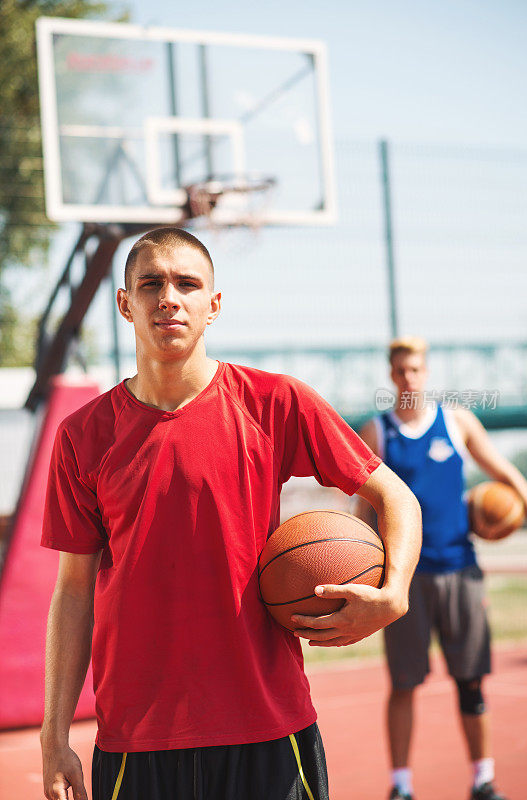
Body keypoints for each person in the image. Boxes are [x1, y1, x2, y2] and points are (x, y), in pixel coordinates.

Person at [39, 228, 422, 800]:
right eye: (151, 284)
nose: (169, 297)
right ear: (126, 303)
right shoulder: (82, 437)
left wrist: (395, 593)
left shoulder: (274, 402)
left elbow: (396, 496)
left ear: (212, 305)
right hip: (135, 740)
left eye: (187, 284)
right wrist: (54, 735)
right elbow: (73, 591)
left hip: (268, 728)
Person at [354, 336, 527, 800]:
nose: (408, 378)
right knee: (404, 684)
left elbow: (507, 475)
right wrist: (369, 568)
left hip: (461, 570)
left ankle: (483, 779)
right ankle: (401, 786)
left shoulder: (456, 422)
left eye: (415, 369)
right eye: (400, 371)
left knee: (471, 681)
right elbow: (362, 509)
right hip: (406, 579)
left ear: (426, 372)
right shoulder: (379, 432)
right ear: (391, 375)